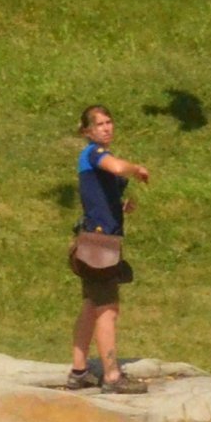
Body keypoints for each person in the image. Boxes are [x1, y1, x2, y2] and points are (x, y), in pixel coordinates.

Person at [68, 106, 151, 394]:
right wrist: (136, 169)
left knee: (92, 306)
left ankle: (79, 372)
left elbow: (100, 197)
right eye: (99, 124)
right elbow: (115, 167)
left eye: (109, 122)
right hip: (98, 246)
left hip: (96, 242)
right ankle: (113, 376)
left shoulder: (98, 159)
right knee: (108, 310)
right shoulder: (93, 154)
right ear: (87, 132)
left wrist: (121, 207)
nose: (106, 128)